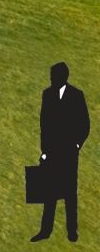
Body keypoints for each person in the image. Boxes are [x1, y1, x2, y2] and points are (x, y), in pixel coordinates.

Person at [36, 61, 89, 243]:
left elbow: (84, 124)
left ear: (62, 77)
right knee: (49, 192)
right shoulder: (47, 94)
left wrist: (76, 145)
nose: (51, 79)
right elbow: (44, 124)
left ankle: (72, 232)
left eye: (54, 76)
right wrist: (44, 151)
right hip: (51, 152)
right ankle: (45, 230)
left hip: (68, 153)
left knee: (69, 192)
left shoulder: (76, 96)